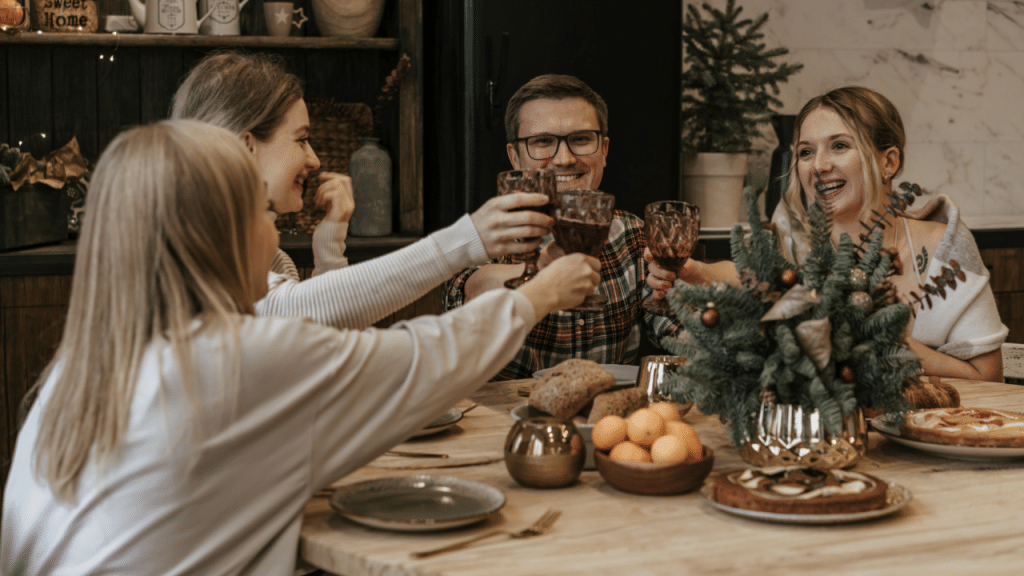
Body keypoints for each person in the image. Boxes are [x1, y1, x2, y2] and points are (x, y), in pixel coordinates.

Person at [0, 120, 599, 575]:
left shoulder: (81, 371)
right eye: (261, 212)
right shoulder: (234, 357)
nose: (273, 229)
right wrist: (538, 295)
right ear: (218, 236)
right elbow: (426, 359)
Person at [171, 50, 554, 329]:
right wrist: (466, 240)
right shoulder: (186, 248)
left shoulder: (275, 262)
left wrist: (329, 244)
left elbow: (321, 346)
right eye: (301, 140)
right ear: (246, 145)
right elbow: (287, 312)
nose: (315, 159)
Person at [648, 86, 1007, 382]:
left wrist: (884, 342)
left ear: (890, 162)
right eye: (806, 152)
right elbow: (749, 277)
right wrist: (692, 272)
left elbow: (988, 378)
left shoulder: (945, 249)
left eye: (839, 145)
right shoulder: (795, 240)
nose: (819, 166)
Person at [443, 74, 681, 380]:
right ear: (514, 157)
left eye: (580, 139)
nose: (565, 159)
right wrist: (541, 268)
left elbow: (677, 330)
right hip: (505, 420)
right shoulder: (486, 233)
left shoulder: (633, 233)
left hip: (608, 420)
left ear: (604, 150)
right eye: (542, 142)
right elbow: (470, 293)